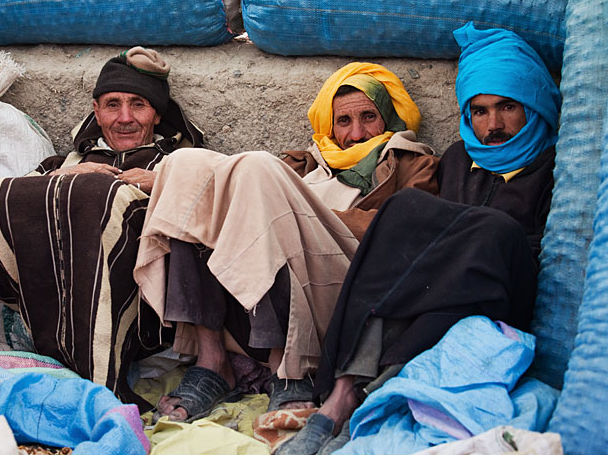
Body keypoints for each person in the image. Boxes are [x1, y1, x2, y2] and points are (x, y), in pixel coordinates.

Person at [285, 23, 561, 455]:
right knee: (403, 213)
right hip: (444, 293)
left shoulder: (553, 167)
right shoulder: (456, 159)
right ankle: (342, 396)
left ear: (534, 105)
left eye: (508, 107)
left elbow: (541, 254)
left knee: (493, 230)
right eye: (480, 111)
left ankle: (363, 395)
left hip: (503, 292)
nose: (493, 124)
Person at [133, 62, 439, 423]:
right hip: (271, 289)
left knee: (257, 168)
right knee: (186, 163)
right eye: (343, 121)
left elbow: (404, 231)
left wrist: (299, 214)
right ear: (329, 124)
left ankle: (291, 367)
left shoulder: (413, 163)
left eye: (369, 117)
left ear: (388, 118)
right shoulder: (305, 162)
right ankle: (212, 359)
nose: (356, 134)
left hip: (346, 285)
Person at [0, 47, 203, 408]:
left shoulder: (181, 163)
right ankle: (63, 347)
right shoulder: (60, 163)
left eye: (138, 105)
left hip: (147, 321)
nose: (124, 118)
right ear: (96, 112)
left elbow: (218, 209)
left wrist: (162, 183)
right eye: (112, 105)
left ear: (157, 115)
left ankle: (97, 375)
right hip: (54, 306)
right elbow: (3, 208)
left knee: (106, 199)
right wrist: (66, 178)